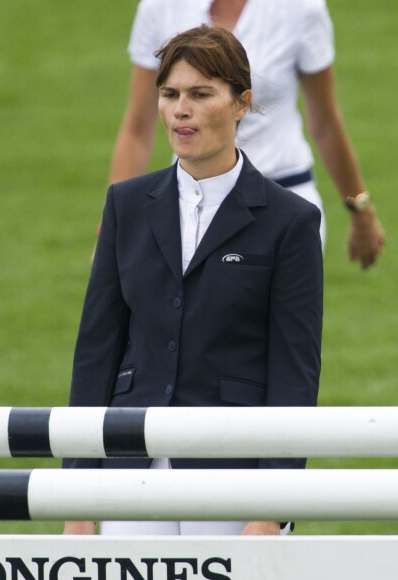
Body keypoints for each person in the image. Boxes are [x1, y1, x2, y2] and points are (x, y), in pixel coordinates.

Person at [64, 24, 323, 536]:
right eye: (170, 94)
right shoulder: (126, 205)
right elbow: (96, 351)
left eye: (200, 94)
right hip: (129, 468)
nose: (181, 109)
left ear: (241, 103)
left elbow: (296, 372)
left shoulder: (291, 221)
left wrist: (273, 507)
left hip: (234, 477)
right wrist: (75, 495)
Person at [107, 0, 384, 268]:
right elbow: (137, 128)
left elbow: (325, 123)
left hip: (284, 201)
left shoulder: (303, 7)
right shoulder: (159, 6)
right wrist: (111, 229)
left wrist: (361, 210)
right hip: (189, 203)